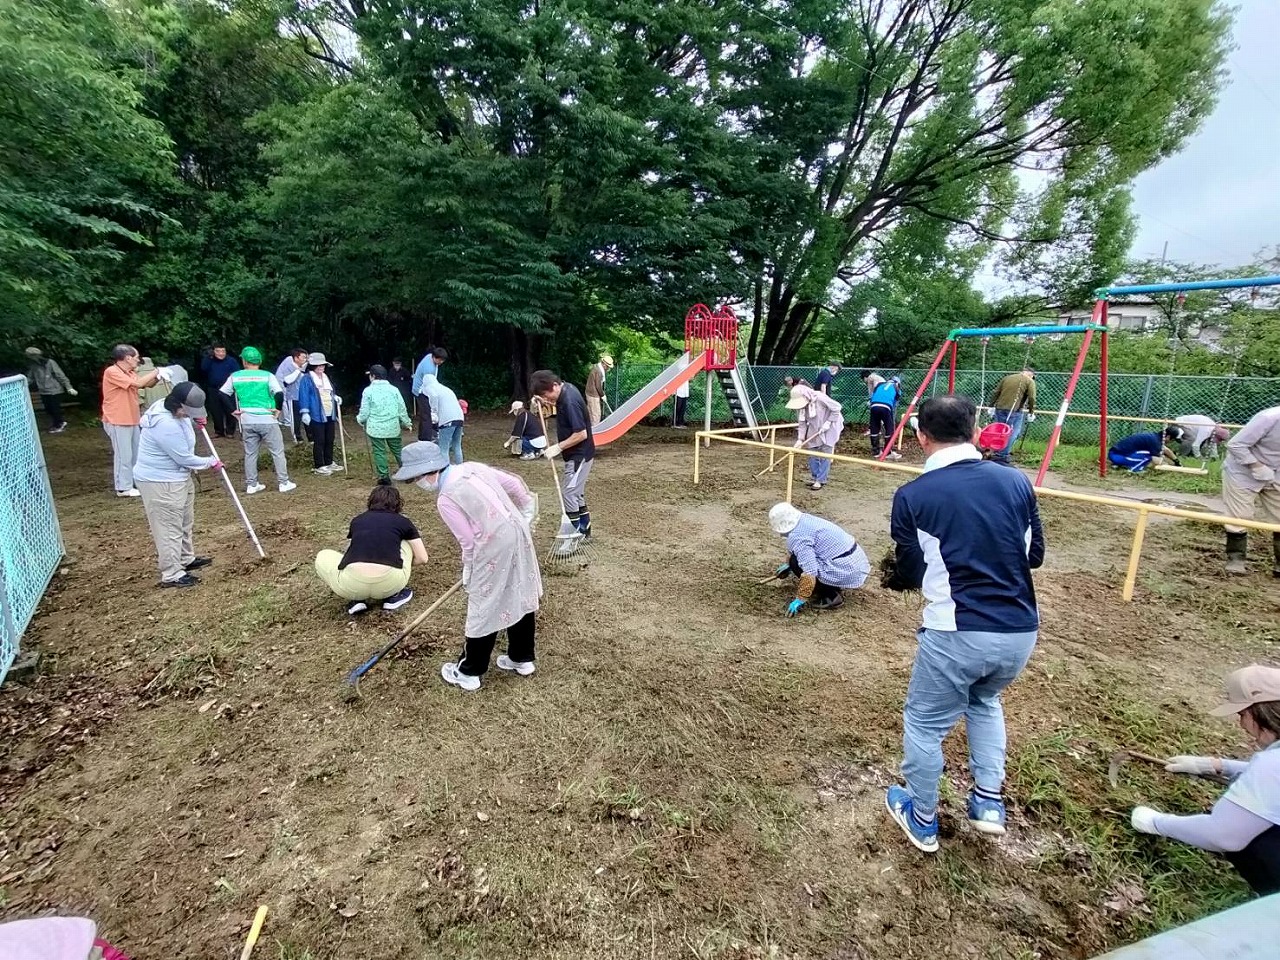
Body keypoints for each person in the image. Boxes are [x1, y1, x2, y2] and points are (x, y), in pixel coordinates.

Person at [881, 394, 1044, 853]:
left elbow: (909, 572)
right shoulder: (1015, 482)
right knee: (985, 702)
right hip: (1019, 631)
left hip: (956, 629)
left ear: (921, 437)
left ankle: (922, 814)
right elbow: (1034, 555)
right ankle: (989, 802)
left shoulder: (914, 495)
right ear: (976, 432)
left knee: (925, 722)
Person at [394, 442, 541, 692]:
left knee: (484, 604)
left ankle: (470, 671)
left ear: (429, 472)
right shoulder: (472, 467)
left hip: (491, 549)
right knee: (519, 590)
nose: (417, 484)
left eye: (415, 479)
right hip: (518, 534)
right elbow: (516, 486)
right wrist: (526, 513)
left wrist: (470, 571)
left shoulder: (446, 498)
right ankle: (522, 658)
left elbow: (469, 542)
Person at [1129, 665, 1280, 896]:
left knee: (1252, 835)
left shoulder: (1271, 766)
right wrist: (1219, 766)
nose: (1241, 724)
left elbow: (1224, 835)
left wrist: (1157, 822)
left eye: (1242, 714)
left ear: (1260, 711)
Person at [133, 382, 222, 588]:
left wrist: (194, 423)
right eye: (187, 411)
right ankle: (172, 573)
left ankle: (185, 558)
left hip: (178, 478)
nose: (188, 414)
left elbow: (184, 430)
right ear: (176, 404)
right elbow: (183, 457)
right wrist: (211, 462)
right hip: (161, 481)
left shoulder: (174, 413)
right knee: (168, 527)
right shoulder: (165, 424)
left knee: (184, 521)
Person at [314, 484, 426, 615]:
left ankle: (356, 600)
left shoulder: (357, 521)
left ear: (371, 501)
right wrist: (402, 562)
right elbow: (423, 558)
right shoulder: (403, 522)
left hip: (351, 585)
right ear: (398, 504)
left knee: (323, 555)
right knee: (406, 542)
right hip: (390, 583)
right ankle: (395, 595)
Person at [767, 503, 870, 615]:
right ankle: (831, 585)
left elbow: (810, 571)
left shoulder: (798, 537)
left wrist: (800, 598)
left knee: (795, 562)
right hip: (855, 561)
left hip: (846, 569)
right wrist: (788, 566)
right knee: (794, 560)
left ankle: (831, 596)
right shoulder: (805, 519)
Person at [220, 347, 295, 495]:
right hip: (268, 418)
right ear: (259, 361)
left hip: (247, 419)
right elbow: (279, 393)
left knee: (250, 453)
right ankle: (283, 482)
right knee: (277, 452)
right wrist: (278, 409)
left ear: (244, 361)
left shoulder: (236, 376)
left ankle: (251, 484)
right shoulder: (267, 376)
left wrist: (232, 410)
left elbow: (222, 393)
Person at [531, 370, 596, 537]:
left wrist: (558, 447)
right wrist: (542, 400)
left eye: (547, 395)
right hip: (577, 454)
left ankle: (572, 534)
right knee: (576, 492)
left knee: (569, 492)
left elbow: (581, 434)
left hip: (579, 455)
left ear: (554, 385)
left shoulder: (569, 401)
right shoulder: (565, 390)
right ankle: (584, 530)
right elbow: (556, 403)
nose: (547, 400)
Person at [1221, 405, 1280, 577]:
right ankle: (1236, 559)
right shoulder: (1269, 418)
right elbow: (1236, 444)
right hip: (1243, 470)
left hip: (1276, 472)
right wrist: (1257, 465)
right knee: (1240, 515)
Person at [101, 345, 165, 498]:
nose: (138, 360)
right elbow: (138, 384)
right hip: (117, 419)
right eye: (136, 357)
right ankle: (123, 487)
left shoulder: (129, 372)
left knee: (136, 453)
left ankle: (137, 482)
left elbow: (146, 384)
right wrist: (155, 371)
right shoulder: (112, 371)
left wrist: (159, 376)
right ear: (127, 358)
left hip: (132, 418)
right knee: (124, 455)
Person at [358, 364, 412, 482]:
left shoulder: (368, 391)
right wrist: (407, 423)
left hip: (375, 427)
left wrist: (360, 419)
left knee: (379, 452)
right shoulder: (394, 389)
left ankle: (384, 477)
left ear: (373, 376)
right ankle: (407, 473)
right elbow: (402, 408)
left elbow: (364, 411)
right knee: (398, 450)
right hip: (393, 426)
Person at [786, 383, 844, 491]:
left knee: (826, 452)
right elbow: (802, 423)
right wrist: (800, 439)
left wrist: (828, 423)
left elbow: (837, 407)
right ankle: (815, 477)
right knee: (812, 451)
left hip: (831, 425)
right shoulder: (801, 408)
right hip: (815, 427)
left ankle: (821, 480)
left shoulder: (820, 398)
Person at [297, 352, 343, 475]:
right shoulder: (306, 379)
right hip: (316, 414)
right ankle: (319, 465)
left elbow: (330, 392)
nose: (320, 367)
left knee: (330, 438)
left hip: (329, 413)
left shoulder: (326, 377)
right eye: (317, 365)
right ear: (312, 366)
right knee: (319, 439)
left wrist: (335, 397)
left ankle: (329, 462)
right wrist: (305, 412)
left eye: (322, 365)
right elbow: (304, 396)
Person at [987, 368, 1037, 465]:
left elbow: (996, 392)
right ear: (1031, 375)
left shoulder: (1007, 378)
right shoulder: (1029, 381)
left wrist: (991, 406)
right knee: (1012, 432)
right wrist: (1031, 412)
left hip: (1000, 408)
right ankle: (1002, 455)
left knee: (1000, 431)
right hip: (1015, 410)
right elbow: (1032, 397)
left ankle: (996, 451)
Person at [24, 347, 76, 433]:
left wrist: (69, 387)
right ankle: (60, 422)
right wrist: (23, 384)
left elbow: (60, 375)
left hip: (54, 390)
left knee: (55, 409)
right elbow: (30, 378)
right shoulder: (34, 366)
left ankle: (58, 425)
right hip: (43, 391)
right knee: (48, 409)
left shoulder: (50, 363)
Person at [421, 373, 465, 465]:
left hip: (447, 420)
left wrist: (433, 411)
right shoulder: (445, 388)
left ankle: (445, 471)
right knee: (456, 445)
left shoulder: (430, 388)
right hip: (460, 418)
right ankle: (461, 468)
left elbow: (433, 396)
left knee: (443, 448)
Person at [199, 343, 241, 438]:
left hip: (228, 389)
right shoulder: (210, 360)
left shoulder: (231, 361)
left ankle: (230, 431)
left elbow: (236, 373)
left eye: (223, 351)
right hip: (213, 388)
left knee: (230, 409)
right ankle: (219, 431)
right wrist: (209, 357)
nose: (221, 353)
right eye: (218, 351)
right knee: (215, 410)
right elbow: (203, 368)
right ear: (214, 351)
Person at [412, 346, 448, 442]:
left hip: (425, 388)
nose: (441, 363)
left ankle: (426, 435)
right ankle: (425, 439)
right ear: (434, 357)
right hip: (421, 391)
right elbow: (430, 388)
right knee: (426, 415)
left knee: (426, 413)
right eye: (440, 360)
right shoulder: (429, 369)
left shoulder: (430, 356)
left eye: (443, 360)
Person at [1107, 427, 1181, 473]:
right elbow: (1157, 461)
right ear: (1168, 437)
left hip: (1114, 454)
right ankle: (1134, 470)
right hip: (1117, 456)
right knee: (1148, 456)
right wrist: (1170, 466)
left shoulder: (1155, 437)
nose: (1171, 442)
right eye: (1173, 440)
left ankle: (1120, 464)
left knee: (1147, 454)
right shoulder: (1155, 442)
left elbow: (1166, 450)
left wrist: (1176, 461)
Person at [275, 347, 310, 443]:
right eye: (303, 357)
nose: (305, 359)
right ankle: (298, 439)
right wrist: (299, 370)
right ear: (296, 357)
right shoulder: (289, 364)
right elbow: (287, 380)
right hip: (292, 396)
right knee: (296, 418)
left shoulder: (305, 366)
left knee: (307, 415)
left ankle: (311, 438)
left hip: (303, 396)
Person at [869, 375, 903, 460]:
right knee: (889, 429)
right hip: (886, 407)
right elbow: (894, 404)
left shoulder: (880, 385)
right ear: (898, 383)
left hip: (874, 406)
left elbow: (873, 395)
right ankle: (888, 452)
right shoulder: (897, 388)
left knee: (874, 427)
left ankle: (876, 452)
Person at [585, 354, 613, 426]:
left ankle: (590, 431)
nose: (608, 368)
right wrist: (603, 395)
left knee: (591, 413)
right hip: (593, 395)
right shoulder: (599, 371)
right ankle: (595, 432)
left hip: (589, 393)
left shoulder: (597, 367)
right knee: (596, 415)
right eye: (607, 367)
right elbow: (598, 385)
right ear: (604, 364)